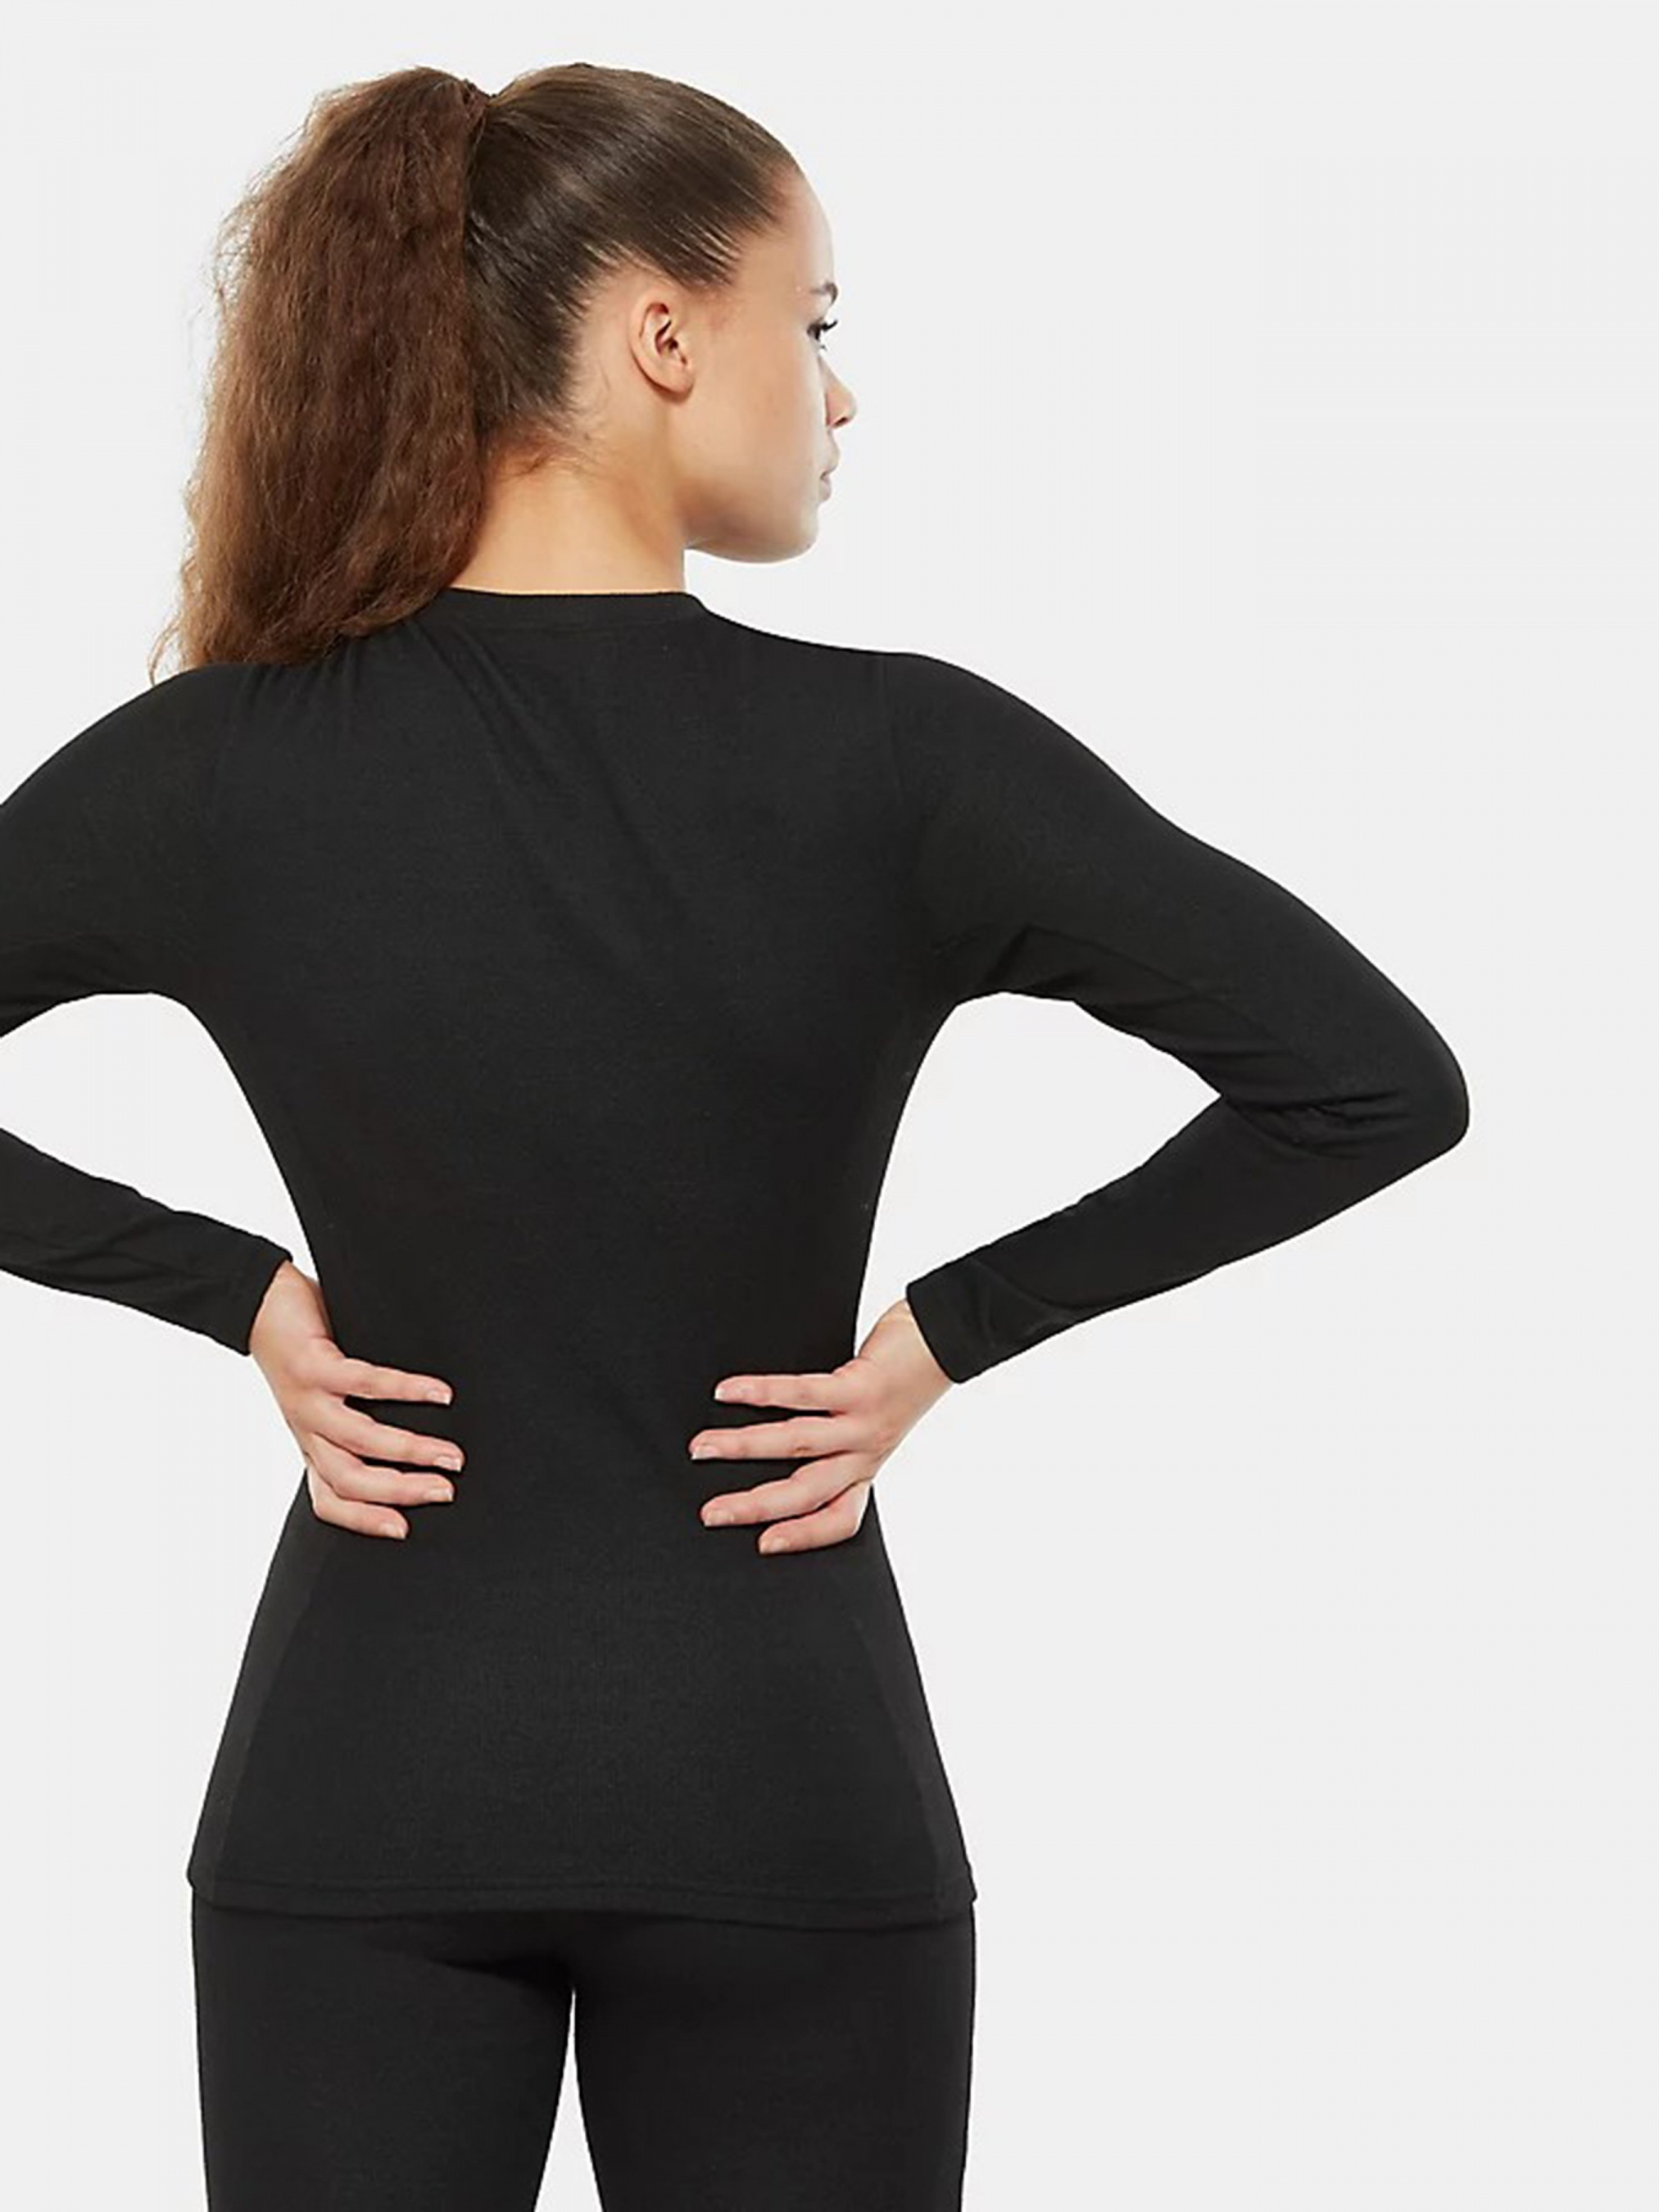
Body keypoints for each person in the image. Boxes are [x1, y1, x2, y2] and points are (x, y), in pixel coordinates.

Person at [0, 60, 1469, 2212]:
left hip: (363, 1779)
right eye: (818, 320)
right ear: (663, 334)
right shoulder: (907, 761)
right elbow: (1370, 1078)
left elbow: (1369, 1085)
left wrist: (235, 1299)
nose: (839, 395)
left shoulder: (219, 766)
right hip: (785, 1780)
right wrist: (938, 1339)